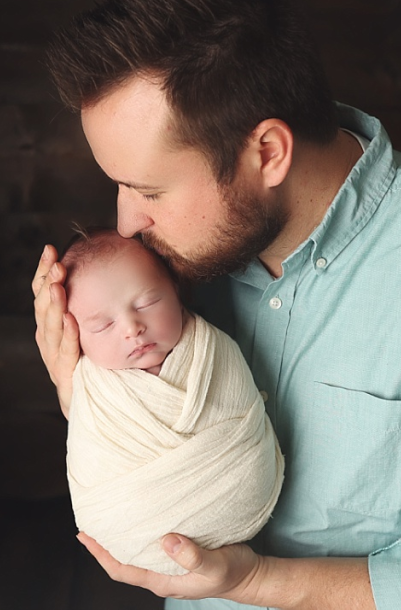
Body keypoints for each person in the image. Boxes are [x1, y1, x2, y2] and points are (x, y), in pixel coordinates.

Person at [31, 0, 401, 610]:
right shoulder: (164, 275)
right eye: (120, 185)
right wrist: (91, 394)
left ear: (267, 152)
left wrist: (257, 582)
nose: (126, 224)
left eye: (148, 188)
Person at [60, 228, 284, 576]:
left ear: (176, 291)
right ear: (75, 334)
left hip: (245, 502)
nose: (132, 328)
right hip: (136, 533)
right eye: (103, 325)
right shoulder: (94, 388)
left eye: (148, 303)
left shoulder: (211, 350)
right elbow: (93, 456)